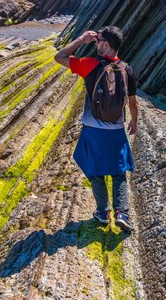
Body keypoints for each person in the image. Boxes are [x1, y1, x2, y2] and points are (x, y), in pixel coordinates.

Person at [54, 26, 138, 232]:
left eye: (98, 39)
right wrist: (134, 121)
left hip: (93, 129)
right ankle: (122, 213)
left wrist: (81, 40)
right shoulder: (127, 69)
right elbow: (133, 101)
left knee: (94, 170)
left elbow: (59, 56)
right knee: (119, 172)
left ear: (106, 44)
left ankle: (103, 212)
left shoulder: (90, 64)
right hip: (116, 130)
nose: (95, 42)